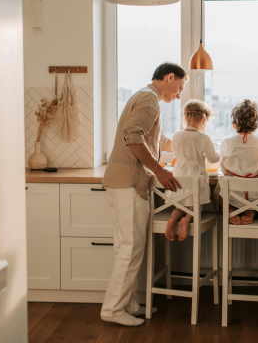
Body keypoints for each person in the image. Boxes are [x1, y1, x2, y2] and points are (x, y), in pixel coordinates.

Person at [100, 62, 186, 327]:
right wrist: (160, 172)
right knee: (130, 249)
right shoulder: (150, 100)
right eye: (180, 87)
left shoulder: (144, 97)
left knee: (127, 248)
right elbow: (134, 138)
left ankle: (128, 304)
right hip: (128, 182)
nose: (179, 94)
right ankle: (113, 310)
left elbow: (154, 140)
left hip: (125, 182)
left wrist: (189, 142)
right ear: (169, 77)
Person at [164, 100, 220, 241]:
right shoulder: (204, 138)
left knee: (179, 207)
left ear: (185, 118)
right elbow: (213, 159)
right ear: (202, 120)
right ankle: (187, 220)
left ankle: (173, 219)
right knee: (195, 208)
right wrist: (220, 153)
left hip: (179, 179)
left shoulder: (177, 136)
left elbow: (177, 153)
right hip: (196, 178)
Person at [214, 99, 258, 225]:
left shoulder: (226, 143)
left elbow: (222, 168)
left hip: (232, 195)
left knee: (220, 190)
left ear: (234, 124)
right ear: (256, 124)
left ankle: (231, 209)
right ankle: (251, 211)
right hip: (254, 199)